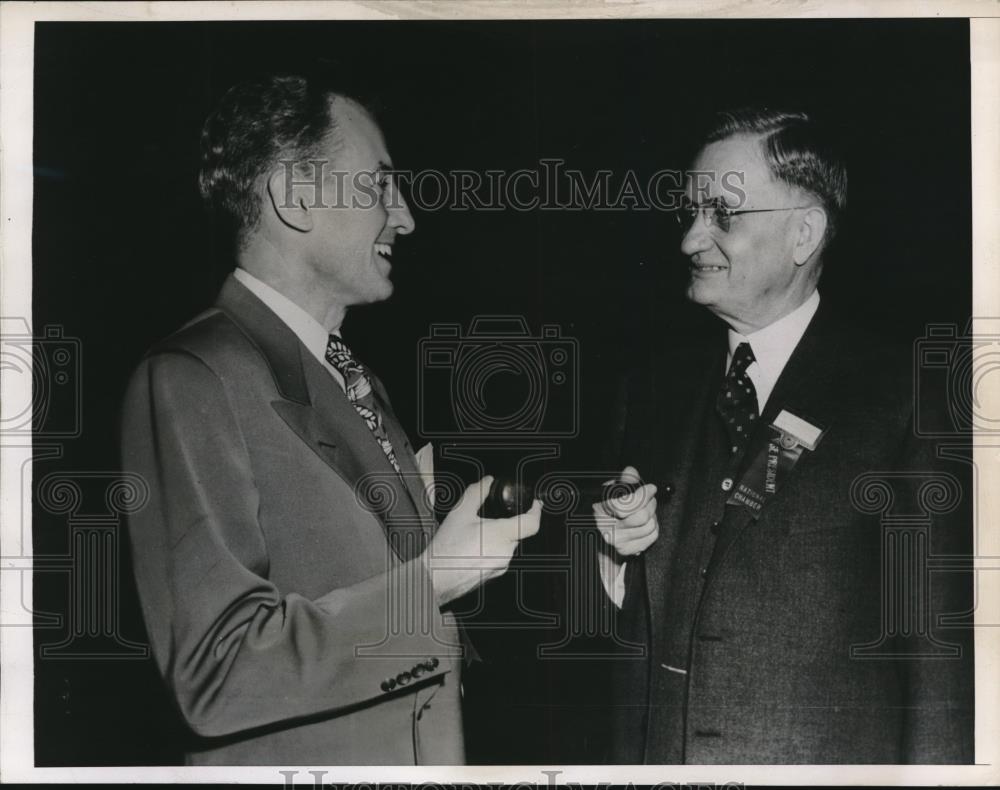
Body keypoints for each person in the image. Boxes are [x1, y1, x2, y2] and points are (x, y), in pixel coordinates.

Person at [120, 74, 540, 766]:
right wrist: (433, 579)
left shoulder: (351, 378)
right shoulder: (192, 378)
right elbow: (217, 673)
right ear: (293, 198)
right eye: (380, 186)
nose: (405, 217)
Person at [595, 108, 974, 763]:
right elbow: (597, 634)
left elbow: (940, 663)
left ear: (804, 234)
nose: (690, 239)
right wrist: (606, 551)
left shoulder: (907, 398)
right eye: (688, 213)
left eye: (723, 215)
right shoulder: (650, 391)